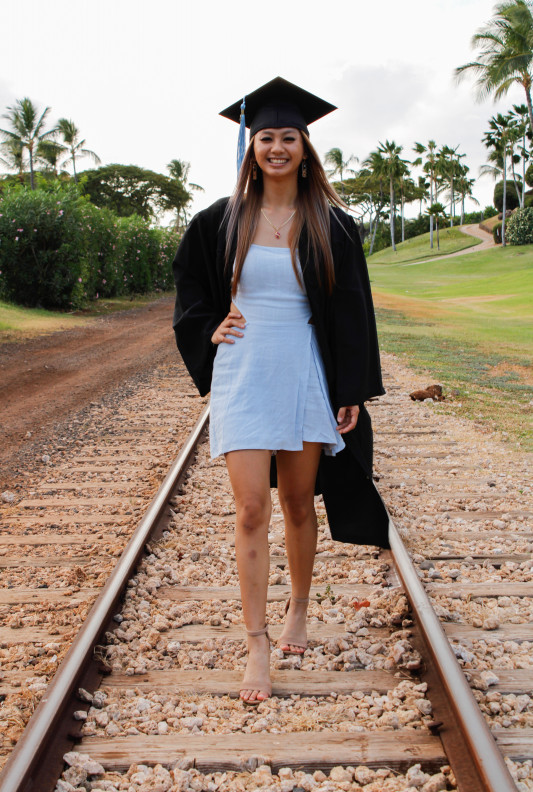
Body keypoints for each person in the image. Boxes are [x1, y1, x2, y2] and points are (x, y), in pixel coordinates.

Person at [173, 77, 389, 705]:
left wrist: (351, 387)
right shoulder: (220, 220)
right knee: (249, 509)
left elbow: (353, 311)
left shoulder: (331, 223)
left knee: (298, 502)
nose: (276, 147)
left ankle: (298, 606)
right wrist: (206, 326)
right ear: (252, 146)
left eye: (287, 137)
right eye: (265, 137)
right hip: (242, 372)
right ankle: (257, 643)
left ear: (304, 146)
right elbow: (189, 286)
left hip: (303, 371)